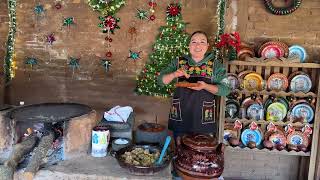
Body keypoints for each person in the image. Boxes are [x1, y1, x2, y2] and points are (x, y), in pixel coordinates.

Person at [157, 31, 230, 179]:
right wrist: (174, 75)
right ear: (189, 45)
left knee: (201, 158)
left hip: (203, 118)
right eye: (194, 42)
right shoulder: (179, 62)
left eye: (202, 42)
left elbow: (225, 89)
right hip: (181, 115)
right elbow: (161, 81)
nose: (198, 45)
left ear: (207, 46)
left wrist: (205, 86)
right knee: (180, 154)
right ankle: (178, 175)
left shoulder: (215, 65)